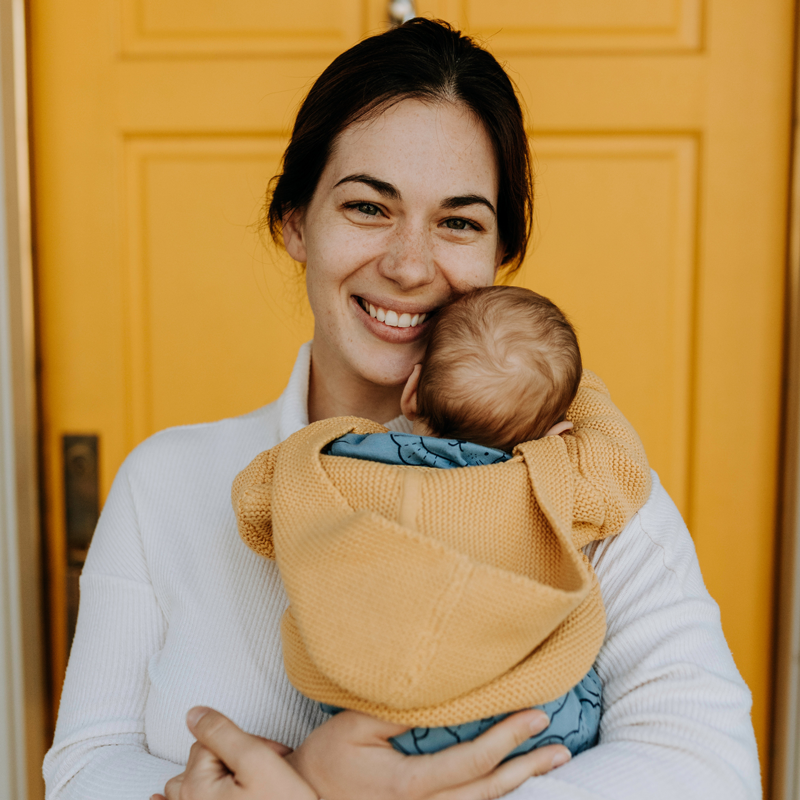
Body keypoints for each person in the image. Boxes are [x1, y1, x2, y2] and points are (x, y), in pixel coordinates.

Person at [43, 18, 760, 800]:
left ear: (499, 260)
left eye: (458, 222)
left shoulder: (584, 483)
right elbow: (87, 764)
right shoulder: (167, 484)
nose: (410, 264)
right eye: (367, 207)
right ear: (295, 224)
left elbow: (711, 768)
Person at [232, 284, 650, 765]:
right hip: (526, 722)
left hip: (367, 721)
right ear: (557, 435)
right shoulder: (548, 485)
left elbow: (255, 505)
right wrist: (579, 391)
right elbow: (622, 469)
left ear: (411, 393)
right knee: (575, 695)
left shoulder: (339, 463)